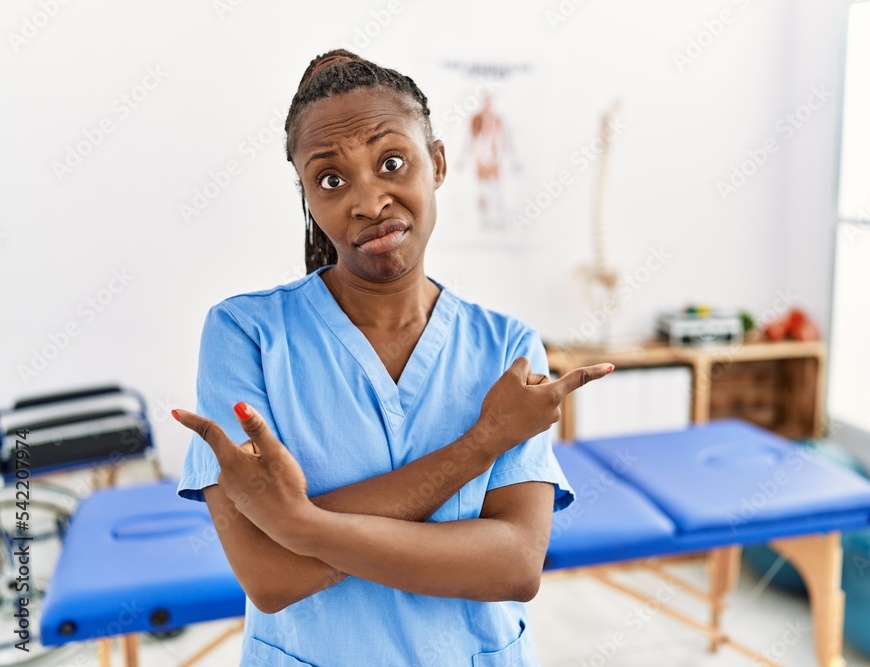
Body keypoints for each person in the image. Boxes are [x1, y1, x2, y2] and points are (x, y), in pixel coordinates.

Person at [171, 49, 612, 667]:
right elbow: (269, 577)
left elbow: (514, 565)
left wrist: (301, 527)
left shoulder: (506, 348)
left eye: (392, 162)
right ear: (307, 195)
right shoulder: (245, 333)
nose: (368, 201)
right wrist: (482, 442)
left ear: (436, 163)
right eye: (330, 179)